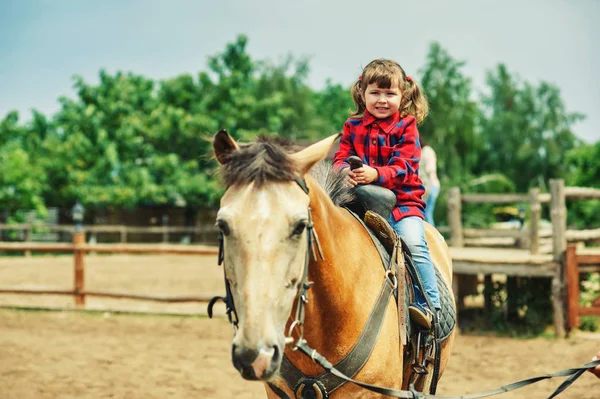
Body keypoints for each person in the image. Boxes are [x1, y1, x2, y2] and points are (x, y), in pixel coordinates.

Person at [333, 58, 440, 329]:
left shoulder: (406, 127)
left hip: (401, 204)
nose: (382, 100)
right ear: (362, 93)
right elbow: (341, 157)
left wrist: (376, 174)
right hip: (361, 203)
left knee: (414, 243)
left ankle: (429, 306)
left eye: (389, 93)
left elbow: (405, 166)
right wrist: (344, 171)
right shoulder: (351, 127)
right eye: (375, 93)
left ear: (402, 96)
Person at [419, 140, 440, 227]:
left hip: (431, 185)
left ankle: (432, 238)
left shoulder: (426, 151)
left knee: (427, 213)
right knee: (427, 213)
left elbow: (430, 169)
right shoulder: (425, 151)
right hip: (430, 185)